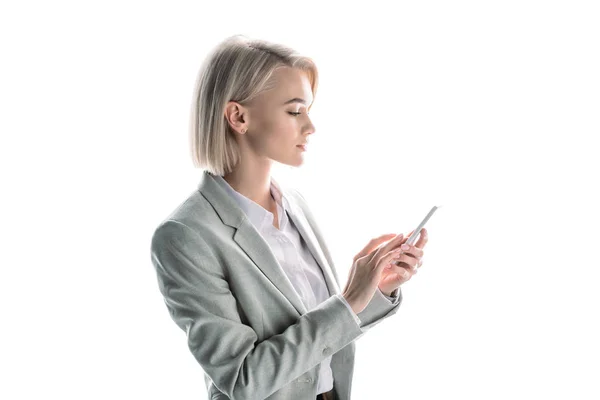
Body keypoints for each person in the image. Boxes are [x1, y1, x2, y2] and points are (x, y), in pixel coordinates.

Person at [150, 34, 428, 400]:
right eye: (295, 111)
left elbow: (326, 336)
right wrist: (348, 300)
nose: (310, 126)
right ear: (238, 116)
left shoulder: (294, 205)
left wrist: (375, 289)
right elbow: (243, 380)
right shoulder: (185, 235)